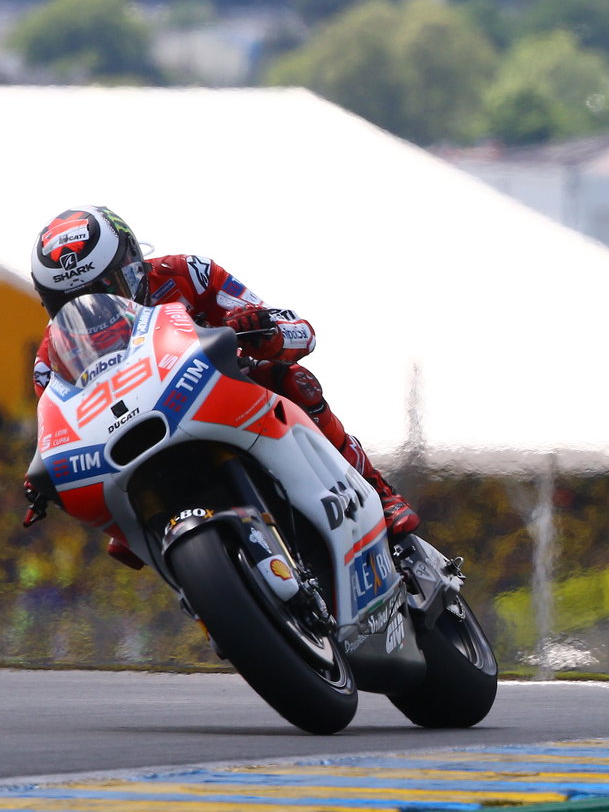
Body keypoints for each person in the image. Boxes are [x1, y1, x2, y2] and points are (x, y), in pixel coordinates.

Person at [24, 205, 419, 565]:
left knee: (292, 381)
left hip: (223, 397)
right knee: (121, 530)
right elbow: (58, 429)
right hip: (135, 439)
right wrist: (43, 478)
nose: (95, 310)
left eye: (105, 290)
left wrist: (265, 331)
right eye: (70, 303)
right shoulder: (49, 361)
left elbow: (298, 329)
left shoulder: (187, 274)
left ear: (132, 267)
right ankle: (206, 598)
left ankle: (378, 493)